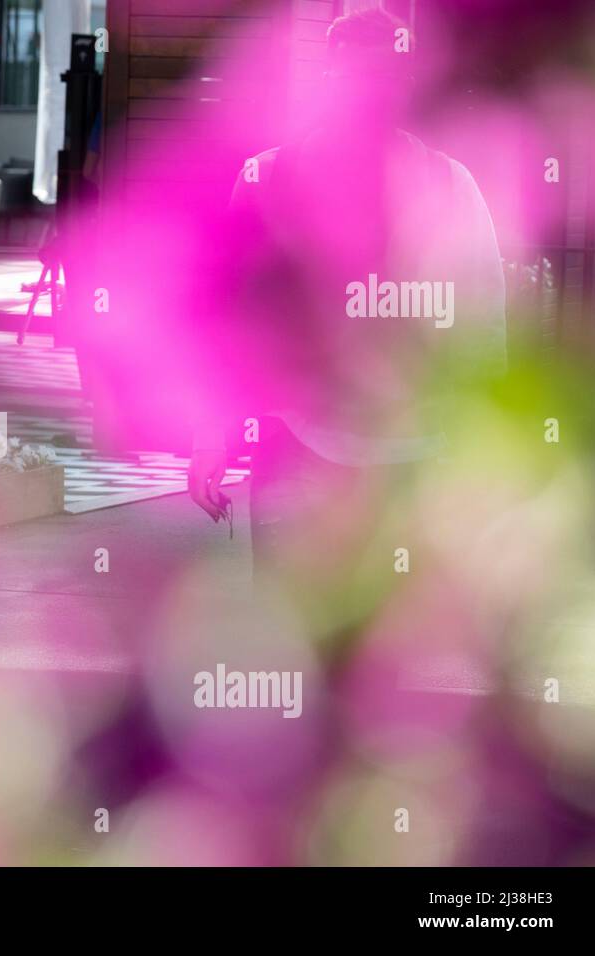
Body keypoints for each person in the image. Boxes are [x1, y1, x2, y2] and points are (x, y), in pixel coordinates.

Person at [188, 8, 506, 636]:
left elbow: (486, 324)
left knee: (390, 665)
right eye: (357, 73)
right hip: (296, 453)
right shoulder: (269, 178)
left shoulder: (448, 184)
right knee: (290, 645)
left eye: (385, 74)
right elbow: (228, 318)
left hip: (412, 460)